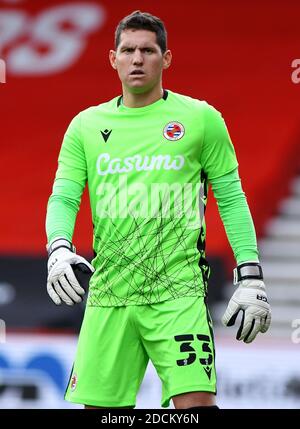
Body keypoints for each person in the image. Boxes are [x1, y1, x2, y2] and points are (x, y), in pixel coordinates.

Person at [45, 10, 271, 409]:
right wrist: (59, 248)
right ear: (112, 58)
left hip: (178, 293)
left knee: (196, 406)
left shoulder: (200, 119)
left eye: (147, 50)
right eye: (128, 50)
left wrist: (250, 275)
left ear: (165, 59)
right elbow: (64, 197)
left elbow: (232, 197)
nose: (137, 59)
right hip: (110, 294)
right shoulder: (85, 125)